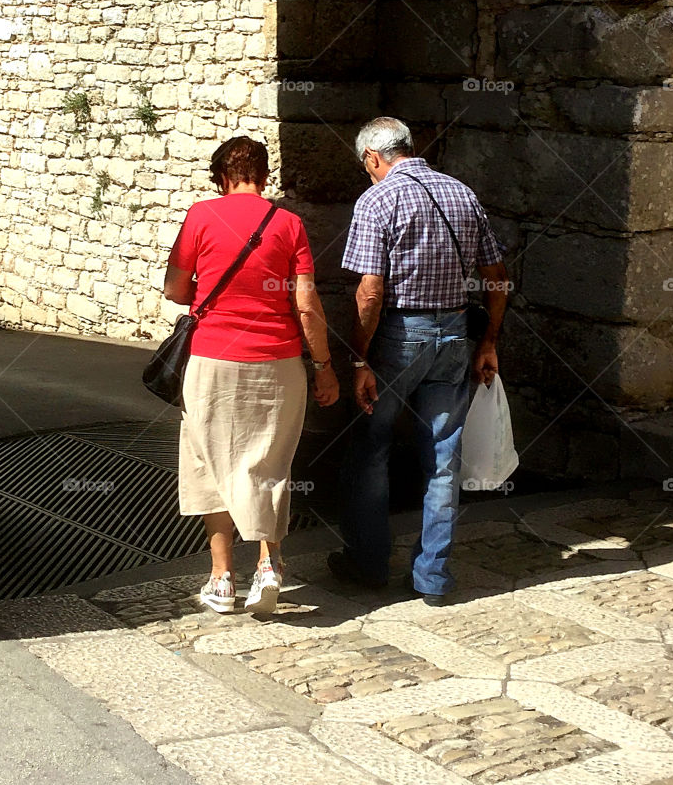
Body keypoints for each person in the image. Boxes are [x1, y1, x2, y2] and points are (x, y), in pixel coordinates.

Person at [329, 116, 509, 605]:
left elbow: (370, 292)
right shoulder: (461, 193)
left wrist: (358, 360)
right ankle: (432, 575)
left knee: (372, 449)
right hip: (454, 335)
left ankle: (367, 564)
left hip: (398, 337)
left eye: (365, 166)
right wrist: (488, 341)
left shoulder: (376, 199)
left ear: (373, 158)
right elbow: (496, 275)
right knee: (443, 459)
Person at [164, 135, 339, 615]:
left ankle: (221, 580)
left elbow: (176, 290)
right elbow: (306, 304)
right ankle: (269, 565)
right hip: (278, 363)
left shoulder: (201, 216)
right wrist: (324, 366)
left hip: (212, 362)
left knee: (208, 463)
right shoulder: (289, 225)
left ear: (222, 176)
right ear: (264, 177)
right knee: (268, 462)